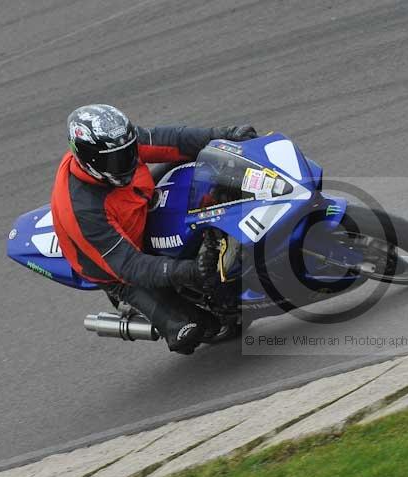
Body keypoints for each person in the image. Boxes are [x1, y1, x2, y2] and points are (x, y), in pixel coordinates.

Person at [50, 104, 256, 354]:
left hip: (139, 205)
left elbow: (172, 140)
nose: (126, 162)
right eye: (115, 159)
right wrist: (191, 271)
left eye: (127, 152)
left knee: (209, 166)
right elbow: (129, 266)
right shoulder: (82, 211)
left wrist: (225, 134)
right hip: (120, 269)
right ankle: (161, 310)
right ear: (88, 160)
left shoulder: (117, 143)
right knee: (189, 331)